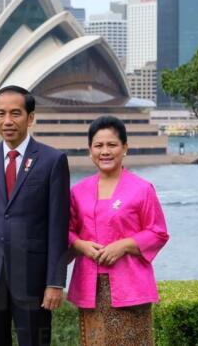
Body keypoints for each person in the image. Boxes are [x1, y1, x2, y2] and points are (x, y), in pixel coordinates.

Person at [0, 85, 71, 346]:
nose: (7, 121)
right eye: (0, 114)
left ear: (30, 118)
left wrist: (55, 282)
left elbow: (58, 227)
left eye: (15, 113)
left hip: (33, 279)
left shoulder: (52, 160)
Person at [68, 115, 169, 345]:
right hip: (91, 287)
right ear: (89, 150)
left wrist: (124, 245)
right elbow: (65, 231)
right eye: (99, 145)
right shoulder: (77, 192)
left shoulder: (142, 189)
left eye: (112, 145)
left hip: (131, 285)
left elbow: (158, 232)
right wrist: (81, 245)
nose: (105, 151)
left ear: (125, 148)